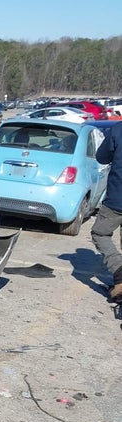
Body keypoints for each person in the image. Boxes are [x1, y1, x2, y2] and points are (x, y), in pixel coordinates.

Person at [93, 122, 122, 301]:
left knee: (100, 233)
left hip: (117, 200)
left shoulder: (118, 129)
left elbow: (102, 157)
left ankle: (119, 273)